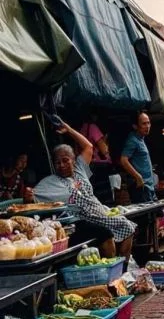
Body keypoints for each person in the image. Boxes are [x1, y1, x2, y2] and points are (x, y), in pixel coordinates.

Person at [33, 120, 135, 259]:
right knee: (106, 234)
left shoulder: (80, 169)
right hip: (79, 220)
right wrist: (27, 196)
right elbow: (31, 197)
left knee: (128, 226)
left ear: (73, 160)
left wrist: (69, 129)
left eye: (65, 160)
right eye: (58, 162)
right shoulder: (48, 183)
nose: (62, 165)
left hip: (101, 214)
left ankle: (123, 266)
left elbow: (88, 146)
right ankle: (112, 271)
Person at [120, 111, 156, 202]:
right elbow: (123, 160)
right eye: (144, 123)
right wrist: (138, 177)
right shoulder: (133, 140)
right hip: (142, 187)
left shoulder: (141, 139)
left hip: (149, 186)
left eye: (148, 123)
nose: (147, 126)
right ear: (135, 126)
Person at [80, 113, 113, 204]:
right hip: (98, 167)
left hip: (87, 166)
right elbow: (104, 150)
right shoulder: (93, 127)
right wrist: (106, 140)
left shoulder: (82, 129)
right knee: (104, 198)